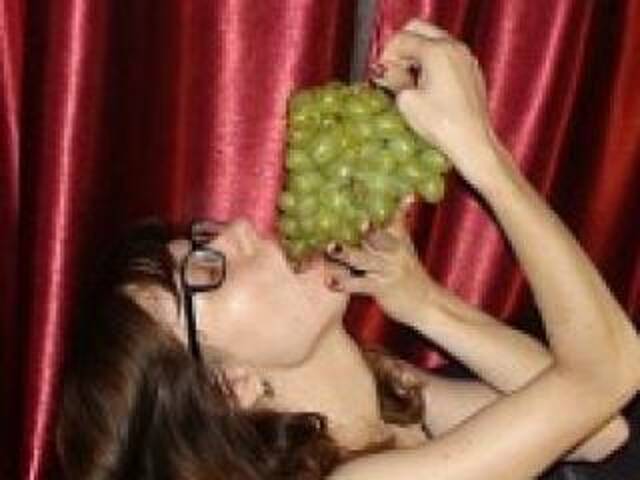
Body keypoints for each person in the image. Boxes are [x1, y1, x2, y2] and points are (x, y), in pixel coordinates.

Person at [56, 19, 640, 480]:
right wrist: (480, 152)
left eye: (204, 238)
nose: (236, 229)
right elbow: (606, 373)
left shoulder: (385, 397)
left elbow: (602, 432)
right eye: (206, 270)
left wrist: (424, 304)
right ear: (232, 385)